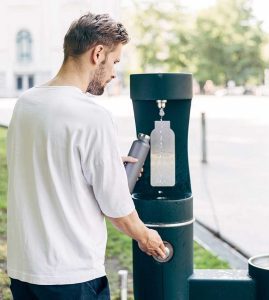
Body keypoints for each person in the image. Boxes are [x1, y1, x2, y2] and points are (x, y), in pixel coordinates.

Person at [6, 13, 166, 300]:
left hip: (24, 271)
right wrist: (147, 237)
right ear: (98, 53)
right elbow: (117, 208)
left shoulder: (26, 103)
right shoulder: (92, 115)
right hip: (71, 275)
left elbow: (45, 161)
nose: (115, 73)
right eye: (115, 62)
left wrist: (102, 161)